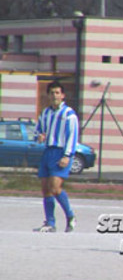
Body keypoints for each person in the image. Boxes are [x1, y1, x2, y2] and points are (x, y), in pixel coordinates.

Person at [33, 81, 79, 233]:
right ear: (48, 95)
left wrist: (67, 155)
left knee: (55, 187)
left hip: (61, 152)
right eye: (52, 93)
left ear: (63, 95)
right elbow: (37, 131)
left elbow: (73, 136)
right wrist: (39, 137)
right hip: (48, 152)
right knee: (46, 189)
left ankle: (70, 216)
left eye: (57, 93)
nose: (54, 96)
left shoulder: (69, 114)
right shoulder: (45, 113)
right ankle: (50, 223)